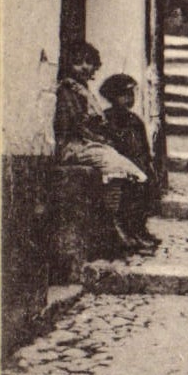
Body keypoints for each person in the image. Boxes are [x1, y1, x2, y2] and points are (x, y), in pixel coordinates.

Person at [53, 41, 150, 258]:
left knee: (128, 171)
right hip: (74, 146)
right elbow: (71, 127)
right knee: (124, 170)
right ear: (68, 64)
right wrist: (97, 135)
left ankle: (123, 228)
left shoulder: (83, 91)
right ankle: (115, 230)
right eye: (78, 63)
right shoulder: (66, 92)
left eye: (89, 63)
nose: (85, 68)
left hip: (89, 144)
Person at [98, 74, 160, 252]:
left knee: (147, 192)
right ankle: (128, 232)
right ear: (112, 97)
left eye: (131, 95)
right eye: (123, 95)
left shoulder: (135, 121)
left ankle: (140, 229)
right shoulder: (106, 120)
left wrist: (149, 166)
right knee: (128, 196)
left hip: (139, 166)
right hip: (122, 168)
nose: (128, 100)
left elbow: (144, 148)